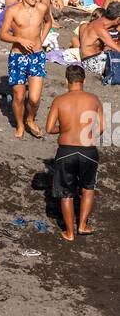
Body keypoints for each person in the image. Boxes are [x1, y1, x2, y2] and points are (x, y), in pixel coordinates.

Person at [45, 63, 102, 241]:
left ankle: (69, 232)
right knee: (88, 187)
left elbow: (48, 128)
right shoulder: (94, 99)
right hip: (88, 150)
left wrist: (65, 128)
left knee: (66, 192)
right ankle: (83, 225)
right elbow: (102, 128)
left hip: (66, 151)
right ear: (84, 80)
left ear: (66, 81)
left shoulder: (59, 101)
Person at [0, 0, 52, 138]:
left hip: (37, 56)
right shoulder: (13, 11)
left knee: (34, 98)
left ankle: (30, 119)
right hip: (18, 56)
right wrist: (19, 39)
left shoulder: (42, 8)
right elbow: (3, 34)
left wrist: (41, 40)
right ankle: (20, 125)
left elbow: (48, 22)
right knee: (19, 96)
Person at [78, 1, 120, 80]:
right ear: (118, 19)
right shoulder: (100, 28)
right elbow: (116, 48)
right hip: (91, 62)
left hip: (93, 58)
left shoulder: (100, 22)